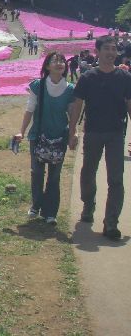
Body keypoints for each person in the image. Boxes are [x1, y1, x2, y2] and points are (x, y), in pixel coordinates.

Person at [69, 35, 131, 240]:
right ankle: (88, 204)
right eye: (107, 48)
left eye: (114, 49)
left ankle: (111, 222)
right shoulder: (88, 77)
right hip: (93, 132)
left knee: (116, 178)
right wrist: (72, 131)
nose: (111, 52)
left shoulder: (124, 77)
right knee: (88, 172)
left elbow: (129, 104)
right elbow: (77, 105)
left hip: (116, 133)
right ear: (97, 51)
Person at [16, 52, 75, 224]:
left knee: (54, 176)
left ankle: (50, 212)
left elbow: (72, 115)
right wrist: (21, 131)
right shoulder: (38, 85)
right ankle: (36, 205)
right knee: (37, 172)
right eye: (55, 61)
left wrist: (74, 133)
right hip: (38, 135)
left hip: (59, 137)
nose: (60, 63)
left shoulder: (70, 89)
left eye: (62, 61)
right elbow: (29, 110)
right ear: (47, 66)